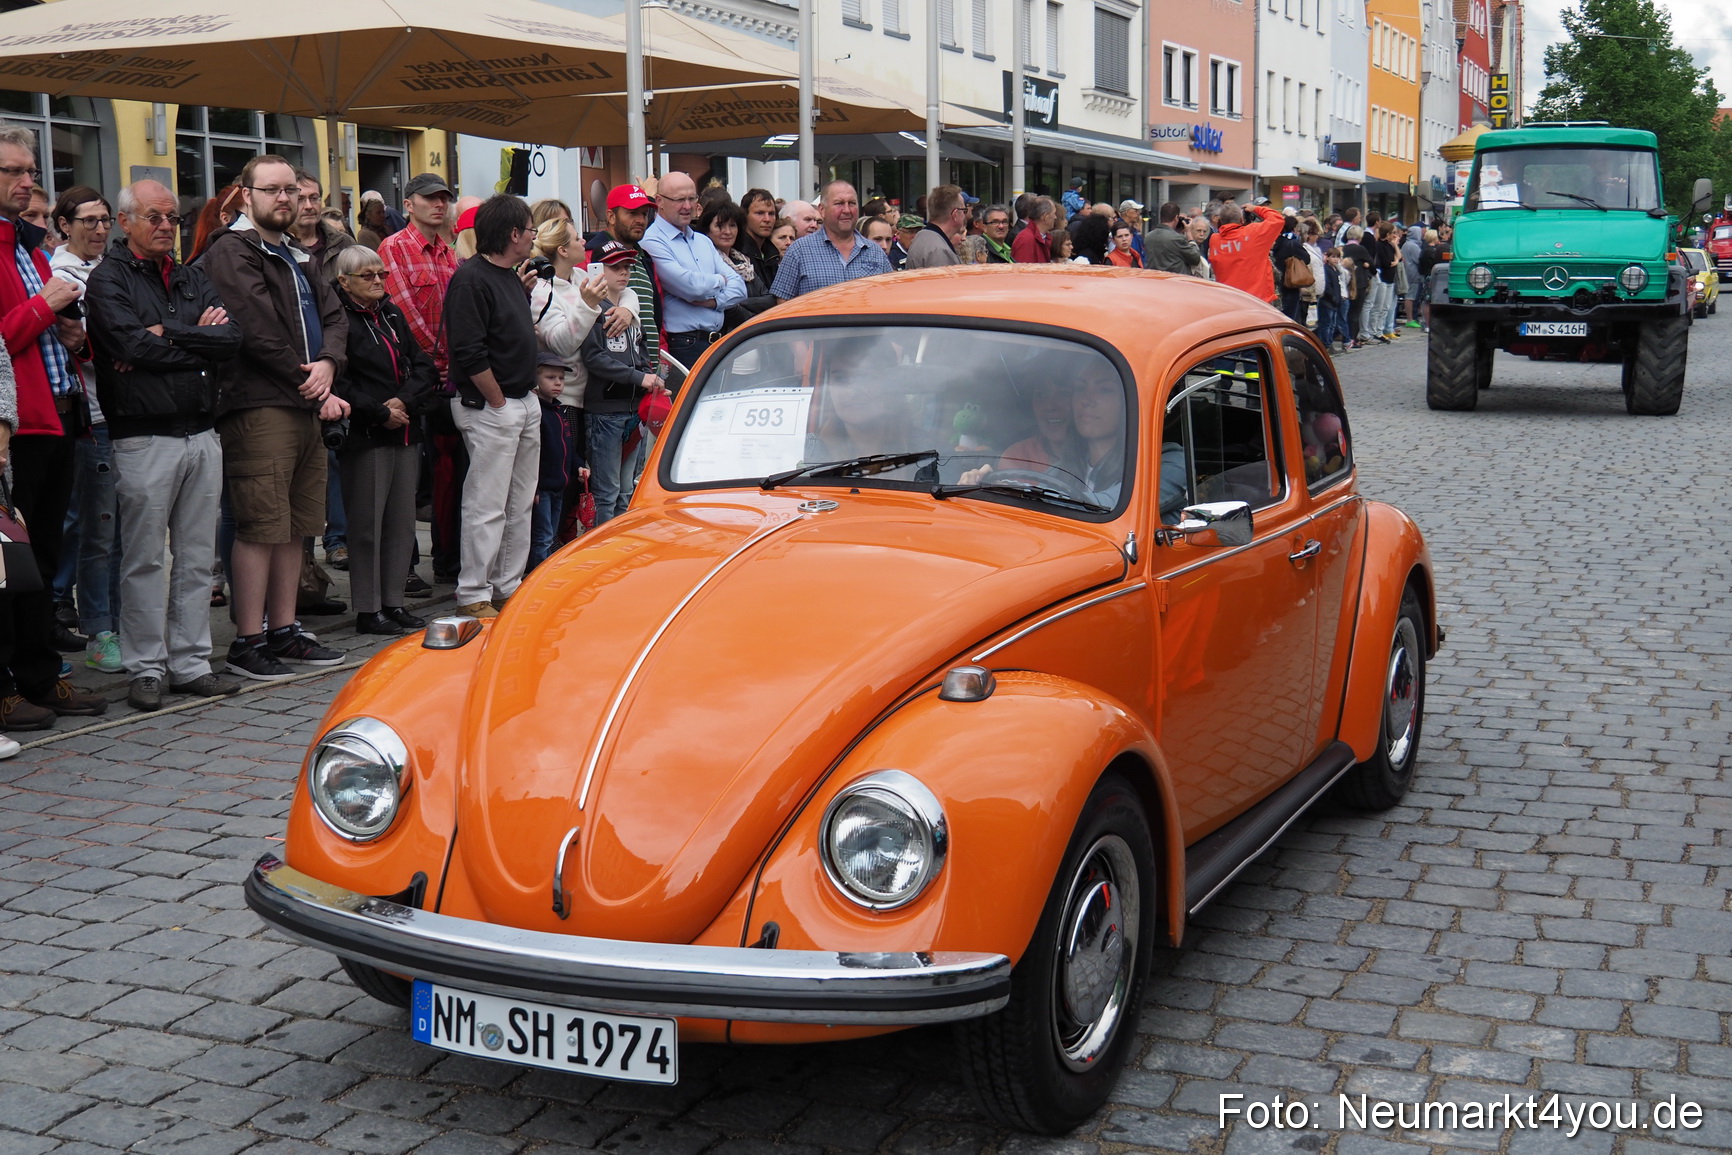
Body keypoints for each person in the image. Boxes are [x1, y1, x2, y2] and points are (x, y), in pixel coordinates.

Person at [85, 179, 244, 709]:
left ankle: (191, 662)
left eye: (172, 218)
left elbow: (230, 341)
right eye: (153, 217)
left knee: (197, 558)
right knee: (146, 559)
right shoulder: (108, 278)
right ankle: (147, 667)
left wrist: (166, 334)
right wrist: (190, 337)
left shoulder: (192, 275)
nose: (165, 227)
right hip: (143, 434)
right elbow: (126, 343)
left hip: (201, 430)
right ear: (125, 222)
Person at [201, 153, 352, 679]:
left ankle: (285, 629)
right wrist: (308, 378)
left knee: (296, 527)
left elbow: (334, 313)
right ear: (246, 196)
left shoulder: (295, 253)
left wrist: (330, 363)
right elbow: (254, 325)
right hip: (261, 403)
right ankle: (248, 640)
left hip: (303, 401)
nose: (284, 198)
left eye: (291, 189)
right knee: (261, 525)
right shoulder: (232, 250)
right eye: (272, 190)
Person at [0, 124, 107, 728]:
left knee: (39, 560)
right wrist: (46, 306)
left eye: (31, 171)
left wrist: (76, 339)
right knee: (9, 563)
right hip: (17, 427)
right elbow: (3, 339)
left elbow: (58, 341)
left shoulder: (32, 245)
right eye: (13, 172)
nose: (27, 182)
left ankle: (42, 677)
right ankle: (8, 684)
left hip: (61, 416)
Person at [329, 244, 436, 637]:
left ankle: (394, 601)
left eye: (381, 274)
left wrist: (403, 401)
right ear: (344, 281)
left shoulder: (390, 313)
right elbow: (341, 381)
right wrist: (379, 412)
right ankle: (368, 608)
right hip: (367, 433)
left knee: (401, 523)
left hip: (404, 426)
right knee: (367, 524)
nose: (378, 281)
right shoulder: (340, 318)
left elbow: (424, 366)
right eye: (368, 276)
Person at [443, 194, 541, 619]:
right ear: (514, 234)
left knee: (519, 504)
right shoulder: (471, 280)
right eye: (530, 228)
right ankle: (474, 592)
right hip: (490, 406)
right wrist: (498, 400)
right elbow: (467, 350)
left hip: (522, 400)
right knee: (487, 505)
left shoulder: (506, 277)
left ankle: (506, 586)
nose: (535, 235)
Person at [48, 186, 120, 670]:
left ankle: (115, 618)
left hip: (132, 412)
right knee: (96, 528)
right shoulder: (57, 275)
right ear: (65, 225)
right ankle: (100, 630)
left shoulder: (114, 269)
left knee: (120, 529)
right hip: (90, 413)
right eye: (88, 220)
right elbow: (92, 339)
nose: (99, 229)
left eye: (105, 220)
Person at [377, 171, 456, 590]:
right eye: (428, 198)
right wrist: (438, 360)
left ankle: (444, 559)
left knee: (441, 474)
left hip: (446, 378)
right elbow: (403, 313)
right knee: (405, 477)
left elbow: (458, 310)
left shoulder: (448, 251)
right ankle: (403, 567)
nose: (438, 205)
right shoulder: (395, 247)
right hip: (412, 376)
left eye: (443, 198)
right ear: (408, 204)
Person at [581, 239, 664, 524]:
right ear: (597, 270)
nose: (624, 273)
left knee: (626, 490)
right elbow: (594, 358)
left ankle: (619, 546)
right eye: (615, 267)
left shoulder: (629, 307)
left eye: (627, 266)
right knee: (608, 491)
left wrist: (650, 376)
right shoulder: (594, 307)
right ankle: (603, 554)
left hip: (631, 410)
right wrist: (640, 377)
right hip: (604, 412)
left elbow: (638, 351)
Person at [639, 171, 744, 383]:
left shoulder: (703, 241)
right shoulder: (651, 241)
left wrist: (714, 301)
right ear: (659, 201)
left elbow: (740, 288)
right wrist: (720, 280)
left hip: (716, 341)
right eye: (679, 200)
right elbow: (690, 287)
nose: (687, 206)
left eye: (692, 198)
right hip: (683, 345)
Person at [770, 180, 893, 300]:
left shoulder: (876, 252)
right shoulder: (798, 251)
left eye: (852, 203)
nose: (846, 210)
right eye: (839, 203)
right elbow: (782, 303)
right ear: (822, 210)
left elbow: (890, 298)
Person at [529, 351, 577, 569]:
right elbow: (533, 453)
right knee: (543, 535)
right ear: (535, 379)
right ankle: (538, 574)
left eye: (561, 378)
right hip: (543, 487)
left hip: (559, 485)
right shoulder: (536, 411)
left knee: (551, 532)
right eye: (550, 378)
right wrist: (534, 487)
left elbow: (566, 444)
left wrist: (578, 465)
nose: (558, 383)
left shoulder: (558, 410)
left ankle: (544, 569)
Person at [700, 201, 775, 329]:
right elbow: (728, 311)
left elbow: (770, 300)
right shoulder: (704, 263)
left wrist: (736, 301)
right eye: (720, 226)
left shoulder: (742, 262)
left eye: (732, 225)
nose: (727, 231)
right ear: (707, 230)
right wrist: (754, 319)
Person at [1209, 201, 1285, 301]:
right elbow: (1277, 219)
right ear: (1241, 219)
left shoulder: (1214, 240)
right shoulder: (1253, 232)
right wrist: (1255, 209)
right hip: (1257, 298)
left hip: (1228, 298)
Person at [905, 186, 965, 269]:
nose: (964, 215)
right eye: (964, 210)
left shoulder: (924, 236)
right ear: (955, 214)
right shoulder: (938, 251)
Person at [738, 188, 781, 289]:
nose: (767, 219)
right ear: (745, 216)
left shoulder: (771, 251)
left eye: (771, 214)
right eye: (760, 213)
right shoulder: (738, 252)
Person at [1143, 202, 1201, 275]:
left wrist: (1177, 231)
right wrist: (1189, 233)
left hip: (1155, 280)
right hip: (1174, 281)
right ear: (1176, 218)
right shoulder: (1177, 238)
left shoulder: (1148, 236)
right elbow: (1195, 258)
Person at [1013, 197, 1056, 263]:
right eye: (1054, 213)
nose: (1055, 217)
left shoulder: (1041, 237)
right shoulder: (1026, 239)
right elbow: (1022, 270)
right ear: (1045, 216)